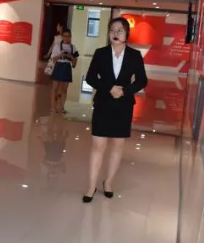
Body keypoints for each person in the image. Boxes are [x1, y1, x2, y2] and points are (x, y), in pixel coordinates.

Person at [83, 17, 147, 203]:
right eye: (112, 30)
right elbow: (90, 77)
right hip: (103, 103)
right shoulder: (101, 53)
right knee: (98, 146)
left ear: (127, 33)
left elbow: (142, 80)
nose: (115, 33)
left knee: (117, 146)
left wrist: (125, 91)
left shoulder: (134, 55)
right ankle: (91, 186)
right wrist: (109, 88)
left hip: (123, 105)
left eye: (120, 30)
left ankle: (108, 182)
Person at [50, 30, 78, 113]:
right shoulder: (57, 46)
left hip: (67, 67)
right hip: (58, 66)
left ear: (70, 37)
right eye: (65, 36)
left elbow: (75, 61)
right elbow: (53, 59)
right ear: (62, 37)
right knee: (54, 88)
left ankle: (62, 107)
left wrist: (70, 56)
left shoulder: (73, 47)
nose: (66, 38)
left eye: (68, 36)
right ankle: (53, 107)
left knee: (64, 89)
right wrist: (60, 55)